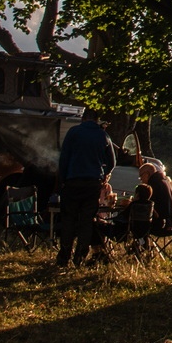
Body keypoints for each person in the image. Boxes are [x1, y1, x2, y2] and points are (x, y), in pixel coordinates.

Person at [54, 111, 116, 268]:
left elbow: (64, 158)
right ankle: (80, 256)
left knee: (69, 219)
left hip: (72, 182)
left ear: (83, 118)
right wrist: (103, 174)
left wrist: (62, 180)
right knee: (87, 220)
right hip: (92, 183)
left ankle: (64, 255)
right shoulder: (103, 135)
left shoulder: (73, 132)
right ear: (97, 120)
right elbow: (112, 162)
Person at [139, 162, 172, 234]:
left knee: (135, 221)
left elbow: (147, 204)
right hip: (169, 221)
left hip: (160, 223)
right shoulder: (164, 181)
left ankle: (141, 241)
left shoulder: (153, 185)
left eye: (141, 176)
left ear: (146, 174)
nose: (141, 180)